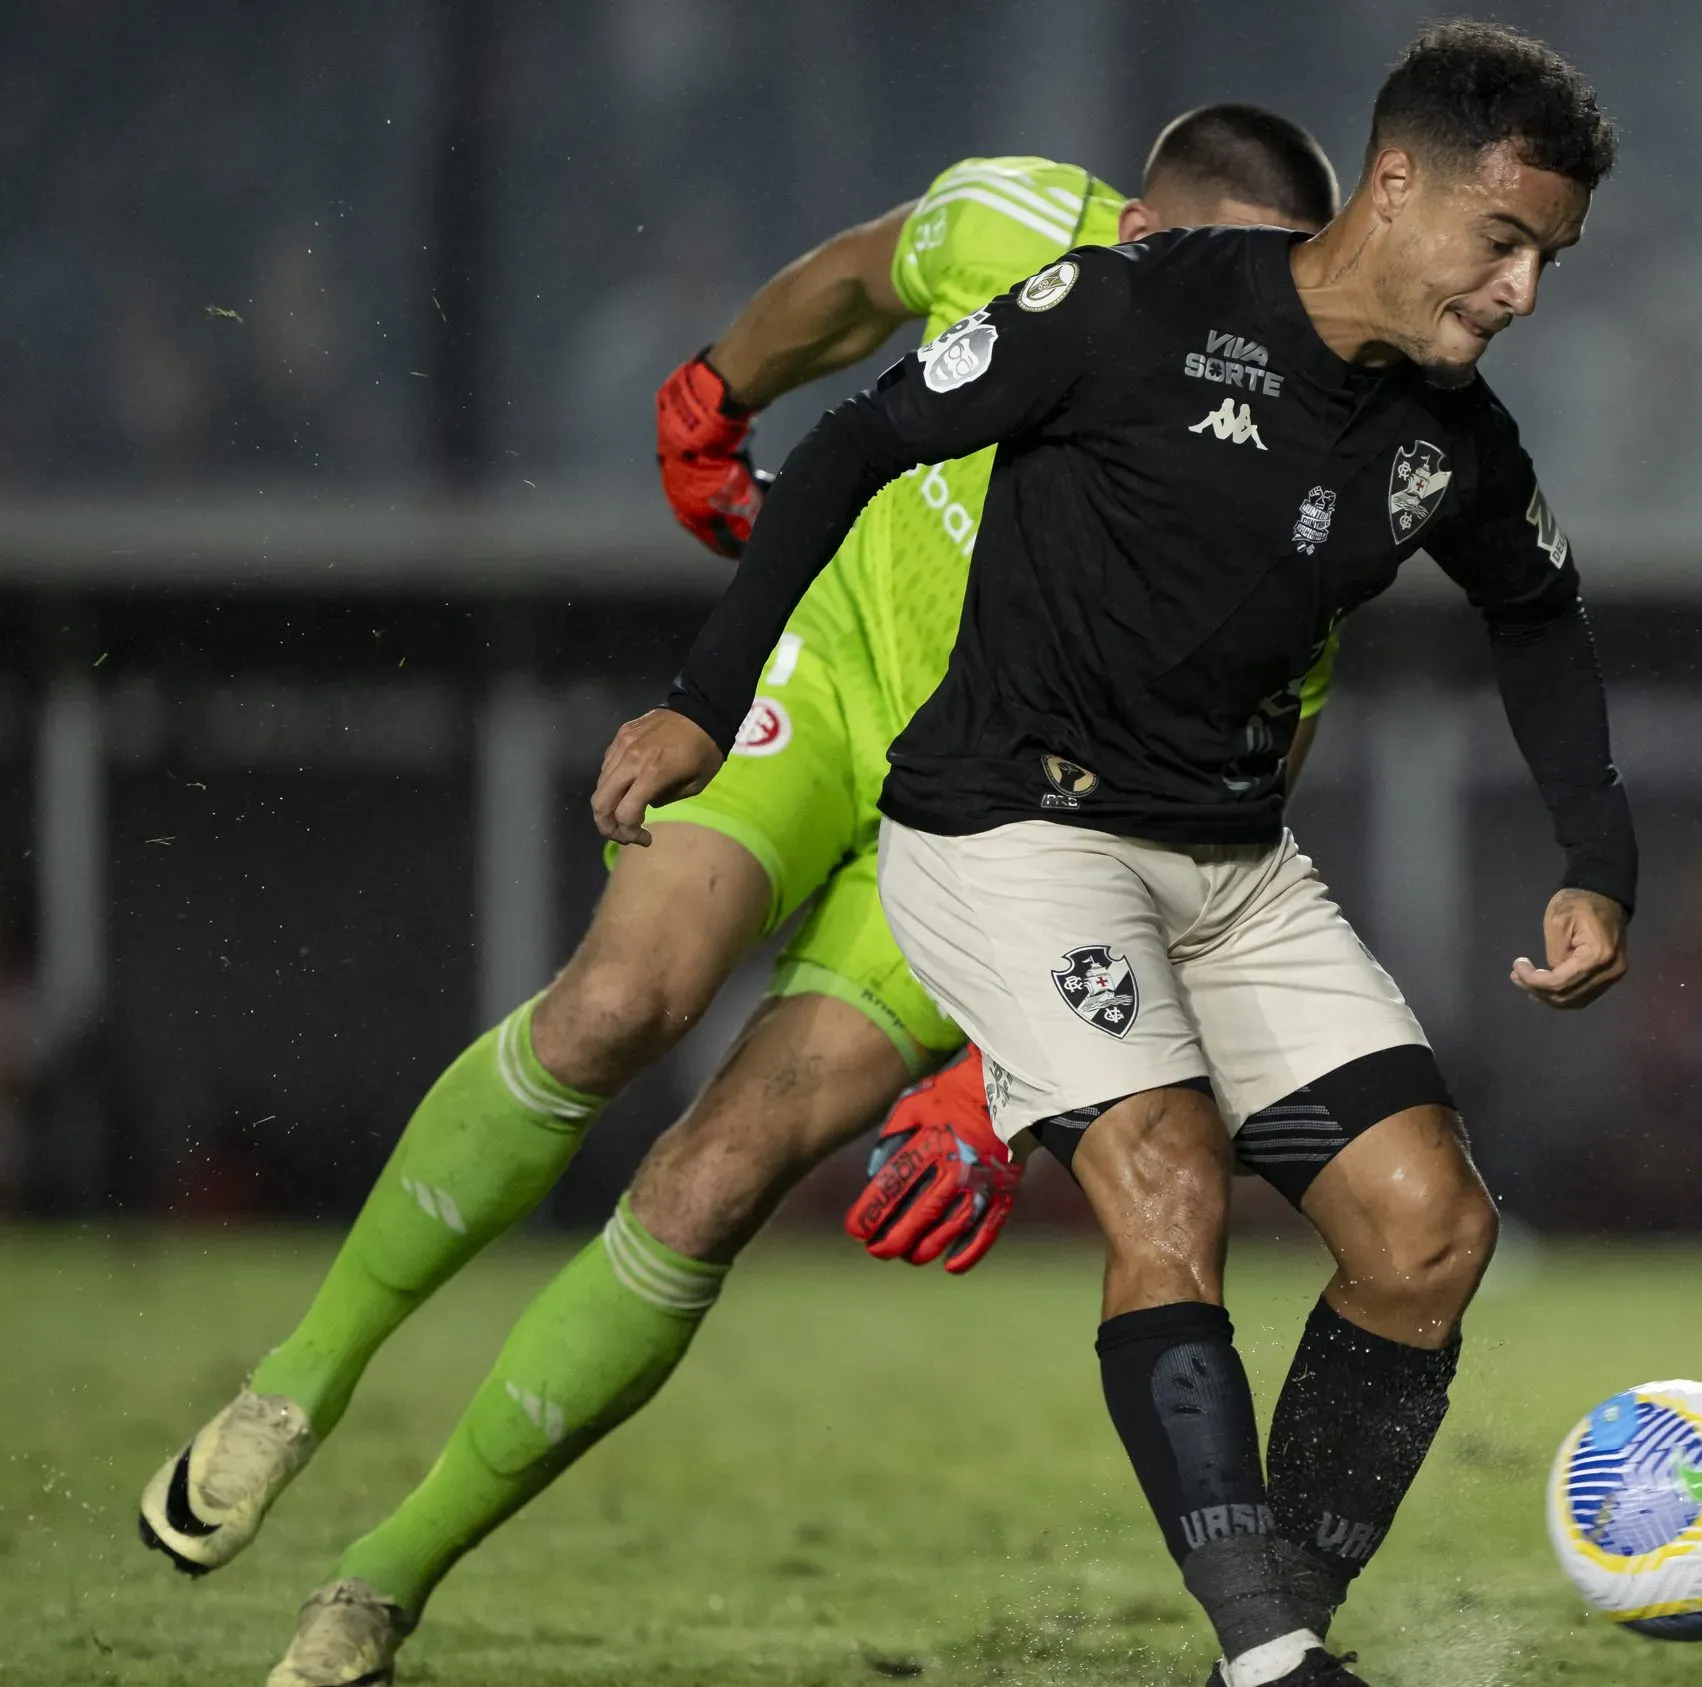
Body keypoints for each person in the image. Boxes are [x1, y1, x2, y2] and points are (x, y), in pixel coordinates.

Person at [137, 108, 1344, 1687]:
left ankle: (381, 1581)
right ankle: (298, 1382)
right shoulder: (1022, 230)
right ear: (1134, 235)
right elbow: (853, 282)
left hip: (1005, 836)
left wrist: (994, 1082)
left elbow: (1228, 813)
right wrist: (716, 396)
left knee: (717, 1176)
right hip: (832, 678)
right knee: (617, 1003)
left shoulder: (1303, 462)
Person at [591, 25, 1627, 1687]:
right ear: (1397, 183)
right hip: (1008, 826)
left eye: (1547, 259)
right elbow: (859, 442)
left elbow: (1541, 613)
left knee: (1430, 1234)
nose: (1521, 292)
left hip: (1228, 861)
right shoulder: (1138, 306)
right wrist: (702, 701)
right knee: (1166, 1175)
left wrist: (1596, 858)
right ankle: (1274, 1659)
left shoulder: (1449, 438)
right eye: (1503, 243)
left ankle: (1275, 1609)